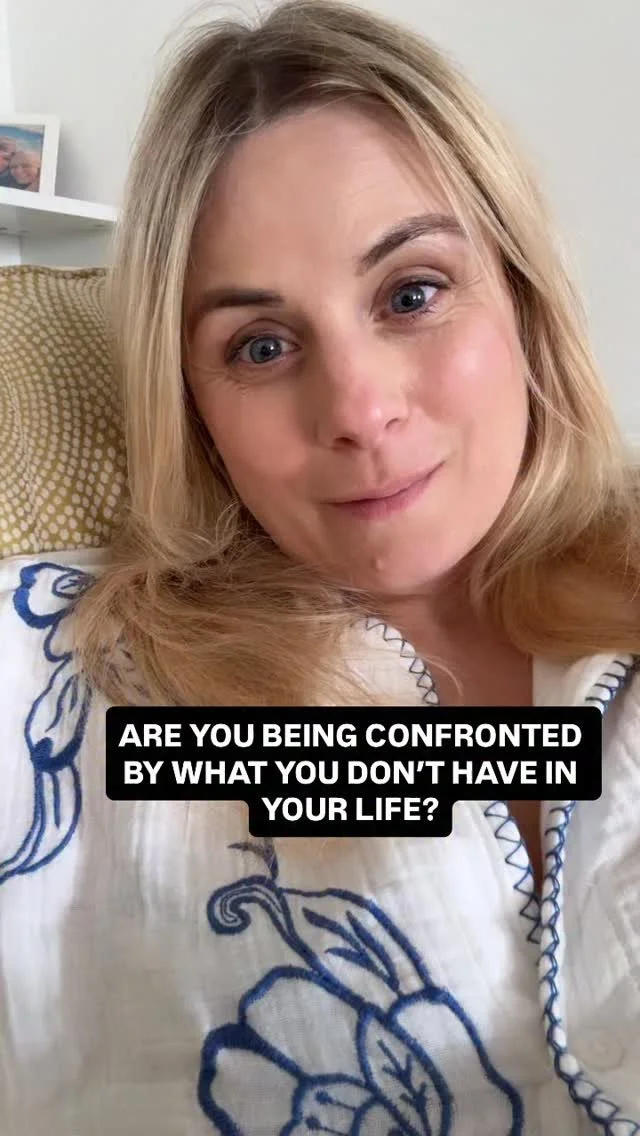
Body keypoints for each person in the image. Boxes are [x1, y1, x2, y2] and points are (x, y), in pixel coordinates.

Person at [2, 1, 640, 1133]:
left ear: (523, 295)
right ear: (193, 411)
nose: (356, 408)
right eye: (260, 346)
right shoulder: (62, 686)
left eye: (412, 293)